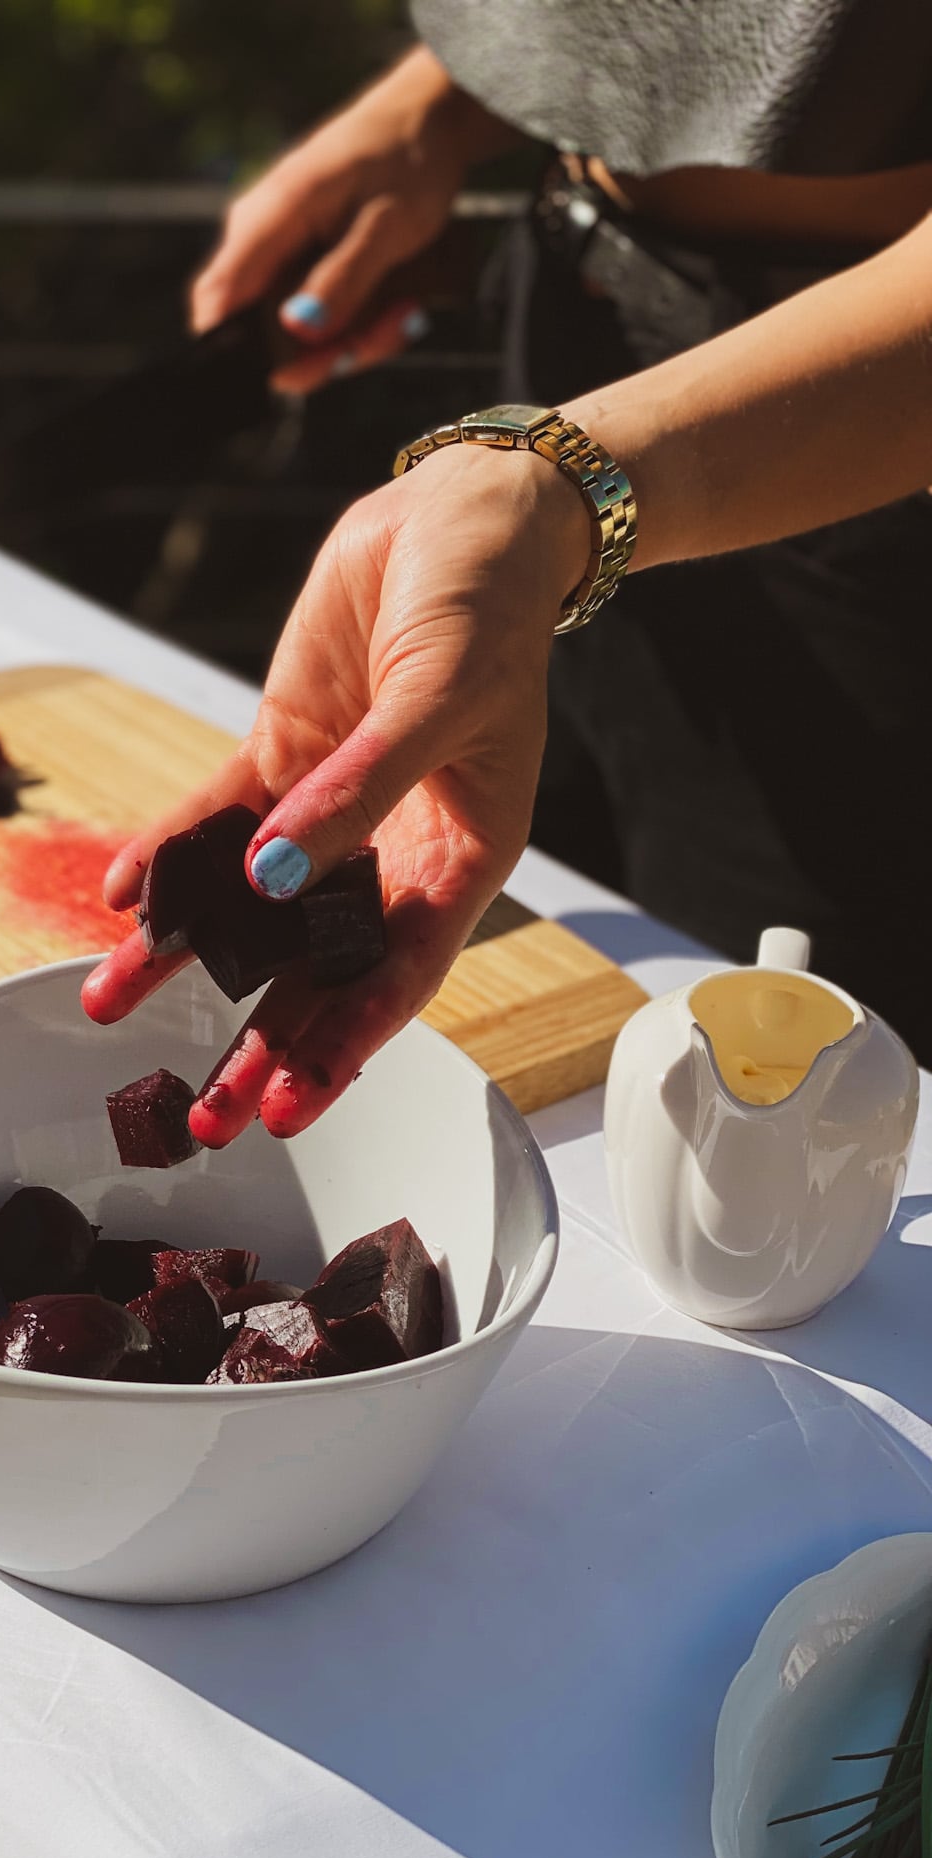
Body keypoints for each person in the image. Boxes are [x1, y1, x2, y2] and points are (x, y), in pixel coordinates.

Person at [81, 23, 932, 1145]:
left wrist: (556, 493)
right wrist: (450, 99)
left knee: (765, 1104)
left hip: (851, 430)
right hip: (558, 359)